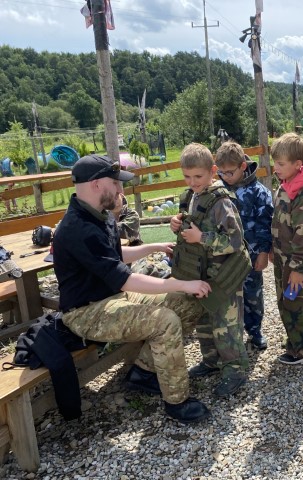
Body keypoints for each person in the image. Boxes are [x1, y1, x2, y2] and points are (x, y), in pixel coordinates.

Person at [53, 154, 211, 424]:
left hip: (113, 297)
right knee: (165, 321)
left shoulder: (99, 215)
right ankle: (177, 402)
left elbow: (113, 256)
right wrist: (181, 283)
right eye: (115, 183)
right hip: (86, 312)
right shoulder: (77, 228)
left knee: (188, 303)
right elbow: (125, 279)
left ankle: (144, 372)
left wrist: (153, 247)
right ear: (96, 184)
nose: (120, 190)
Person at [170, 143, 250, 397]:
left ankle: (235, 371)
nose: (192, 182)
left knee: (227, 326)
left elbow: (235, 241)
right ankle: (211, 361)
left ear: (213, 172)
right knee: (204, 321)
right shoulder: (190, 197)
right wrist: (177, 224)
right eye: (187, 176)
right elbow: (190, 226)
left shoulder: (221, 202)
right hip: (200, 274)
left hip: (223, 276)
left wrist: (202, 237)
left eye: (198, 176)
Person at [215, 141, 274, 351]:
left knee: (253, 294)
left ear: (242, 166)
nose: (225, 176)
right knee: (227, 295)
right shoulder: (219, 190)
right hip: (225, 256)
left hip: (251, 256)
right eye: (221, 172)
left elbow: (266, 224)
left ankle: (255, 331)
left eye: (230, 172)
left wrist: (264, 252)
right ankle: (231, 333)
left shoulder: (259, 192)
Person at [270, 133, 303, 365]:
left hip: (296, 263)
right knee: (286, 303)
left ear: (297, 164)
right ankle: (295, 340)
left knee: (298, 305)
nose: (276, 168)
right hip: (283, 260)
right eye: (275, 163)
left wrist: (298, 268)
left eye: (281, 164)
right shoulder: (286, 185)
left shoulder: (302, 194)